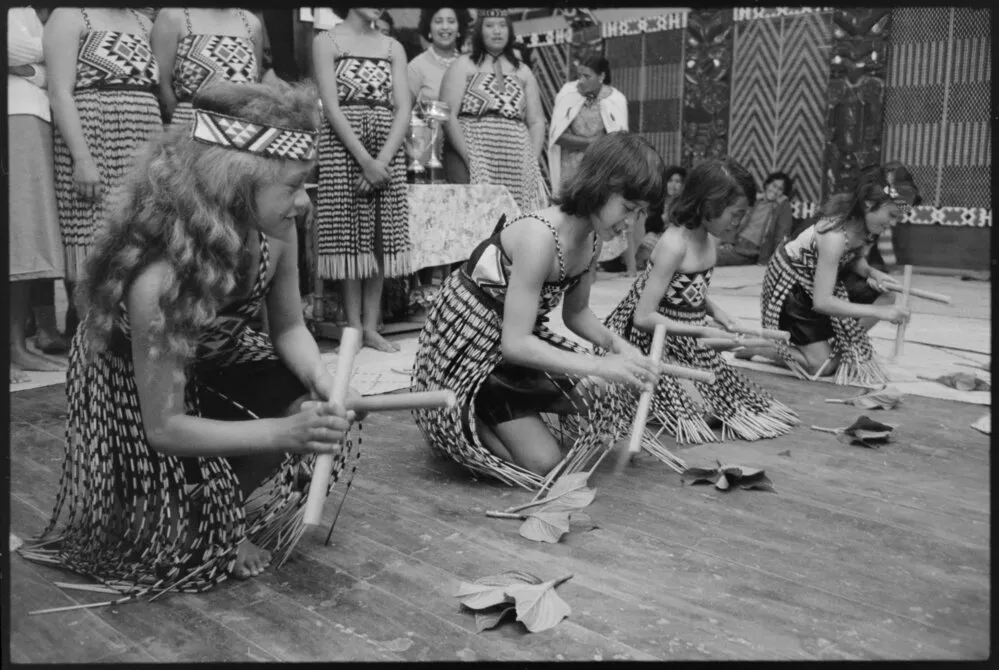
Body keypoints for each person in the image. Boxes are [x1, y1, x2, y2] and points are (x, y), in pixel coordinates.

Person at [21, 82, 361, 593]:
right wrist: (284, 434)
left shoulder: (277, 230)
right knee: (162, 538)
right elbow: (166, 428)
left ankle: (211, 509)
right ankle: (166, 508)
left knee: (305, 401)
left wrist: (324, 380)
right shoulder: (160, 277)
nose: (303, 201)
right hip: (143, 397)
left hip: (215, 360)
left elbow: (290, 327)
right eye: (292, 185)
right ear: (238, 181)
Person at [412, 132, 665, 487]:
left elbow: (575, 314)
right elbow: (514, 344)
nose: (630, 224)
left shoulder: (593, 239)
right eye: (627, 208)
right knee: (544, 466)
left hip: (510, 342)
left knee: (604, 393)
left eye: (639, 214)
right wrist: (600, 365)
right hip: (468, 350)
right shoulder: (539, 236)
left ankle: (506, 409)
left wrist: (617, 345)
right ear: (599, 186)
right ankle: (470, 409)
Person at [602, 158, 798, 443]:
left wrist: (717, 312)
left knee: (736, 402)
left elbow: (688, 293)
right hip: (646, 343)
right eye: (735, 213)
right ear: (709, 204)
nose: (739, 221)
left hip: (685, 339)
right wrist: (701, 330)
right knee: (702, 410)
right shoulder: (674, 245)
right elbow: (643, 318)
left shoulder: (710, 239)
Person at [44, 7, 163, 341]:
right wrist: (82, 157)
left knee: (140, 235)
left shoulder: (143, 23)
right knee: (91, 237)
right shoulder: (69, 16)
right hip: (95, 134)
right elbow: (60, 92)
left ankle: (128, 332)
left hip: (143, 138)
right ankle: (90, 334)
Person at [738, 175, 915, 385]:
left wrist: (871, 273)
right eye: (892, 215)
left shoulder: (867, 228)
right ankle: (759, 346)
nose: (893, 223)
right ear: (869, 205)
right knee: (821, 366)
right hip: (792, 288)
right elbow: (822, 302)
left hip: (822, 280)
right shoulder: (834, 236)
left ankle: (837, 347)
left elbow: (853, 259)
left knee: (887, 295)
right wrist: (880, 313)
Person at [312, 8, 412, 352]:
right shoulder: (326, 41)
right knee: (348, 234)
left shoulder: (392, 47)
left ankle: (370, 326)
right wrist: (364, 160)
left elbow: (404, 108)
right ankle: (352, 327)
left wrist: (381, 160)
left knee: (382, 236)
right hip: (345, 145)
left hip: (387, 144)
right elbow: (331, 106)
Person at [8, 6, 70, 382]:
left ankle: (17, 345)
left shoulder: (26, 10)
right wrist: (37, 55)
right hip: (18, 116)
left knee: (25, 240)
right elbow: (18, 47)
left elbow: (50, 65)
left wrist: (27, 67)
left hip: (30, 116)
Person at [439, 8, 547, 212]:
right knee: (477, 216)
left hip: (517, 159)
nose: (497, 31)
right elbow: (448, 115)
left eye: (502, 25)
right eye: (489, 26)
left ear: (510, 30)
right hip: (473, 152)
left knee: (517, 221)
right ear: (479, 30)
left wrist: (530, 161)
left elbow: (536, 121)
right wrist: (471, 158)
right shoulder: (463, 65)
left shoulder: (522, 71)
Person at [151, 8, 263, 129]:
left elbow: (255, 83)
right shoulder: (173, 16)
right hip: (191, 123)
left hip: (242, 126)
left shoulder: (251, 22)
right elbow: (162, 83)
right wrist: (183, 118)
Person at [716, 171, 794, 267]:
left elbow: (782, 233)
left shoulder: (782, 208)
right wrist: (728, 241)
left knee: (714, 256)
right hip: (736, 242)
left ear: (783, 193)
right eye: (774, 186)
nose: (775, 191)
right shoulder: (755, 200)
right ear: (767, 184)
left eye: (780, 189)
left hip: (750, 250)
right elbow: (734, 220)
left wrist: (777, 260)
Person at [634, 165, 686, 271]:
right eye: (670, 180)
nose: (673, 185)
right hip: (658, 238)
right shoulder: (657, 201)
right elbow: (649, 225)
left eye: (678, 181)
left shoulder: (685, 204)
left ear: (683, 185)